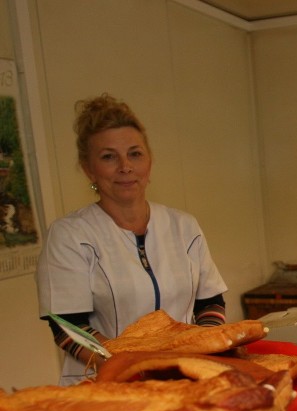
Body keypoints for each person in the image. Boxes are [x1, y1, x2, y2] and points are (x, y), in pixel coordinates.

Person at [36, 94, 228, 385]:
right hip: (107, 385)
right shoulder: (70, 235)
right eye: (108, 157)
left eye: (135, 154)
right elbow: (68, 327)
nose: (125, 166)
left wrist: (201, 354)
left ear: (149, 161)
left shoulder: (183, 226)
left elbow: (210, 301)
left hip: (185, 379)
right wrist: (132, 368)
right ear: (89, 169)